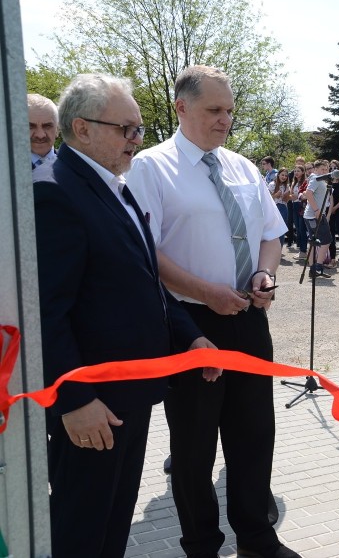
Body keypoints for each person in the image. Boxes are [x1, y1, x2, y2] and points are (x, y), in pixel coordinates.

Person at [32, 73, 217, 556]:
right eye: (126, 129)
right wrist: (73, 400)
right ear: (83, 129)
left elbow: (142, 283)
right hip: (93, 407)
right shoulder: (55, 193)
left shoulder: (114, 186)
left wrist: (191, 337)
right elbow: (47, 313)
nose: (137, 140)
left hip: (128, 398)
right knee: (81, 533)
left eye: (138, 129)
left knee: (111, 531)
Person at [126, 65, 298, 558]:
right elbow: (145, 252)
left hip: (248, 319)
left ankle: (258, 538)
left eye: (229, 111)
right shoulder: (151, 168)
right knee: (195, 448)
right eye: (214, 111)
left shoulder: (242, 167)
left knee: (253, 436)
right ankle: (201, 543)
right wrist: (205, 292)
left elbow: (270, 233)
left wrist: (264, 275)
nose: (225, 120)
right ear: (182, 108)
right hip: (189, 326)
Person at [302, 159, 334, 277]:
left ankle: (313, 269)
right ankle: (317, 266)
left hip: (317, 214)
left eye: (326, 169)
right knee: (326, 240)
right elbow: (308, 193)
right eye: (322, 169)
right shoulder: (315, 178)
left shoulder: (322, 180)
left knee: (314, 241)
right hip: (314, 215)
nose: (325, 171)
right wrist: (316, 210)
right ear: (315, 169)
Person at [28, 93, 59, 170]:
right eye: (30, 126)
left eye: (47, 126)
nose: (40, 135)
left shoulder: (78, 167)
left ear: (57, 129)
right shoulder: (5, 169)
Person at [289, 164, 309, 259]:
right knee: (297, 228)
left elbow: (304, 195)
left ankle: (303, 250)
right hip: (294, 205)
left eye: (298, 171)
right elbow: (292, 194)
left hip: (302, 206)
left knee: (302, 229)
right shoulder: (294, 182)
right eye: (295, 171)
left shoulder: (305, 182)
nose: (296, 173)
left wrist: (297, 197)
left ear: (303, 172)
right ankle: (301, 249)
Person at [269, 167, 292, 247]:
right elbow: (268, 198)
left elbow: (286, 200)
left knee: (281, 229)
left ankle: (280, 248)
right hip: (274, 207)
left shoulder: (287, 186)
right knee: (273, 228)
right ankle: (272, 248)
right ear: (278, 175)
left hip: (283, 207)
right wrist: (276, 195)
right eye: (282, 175)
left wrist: (288, 196)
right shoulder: (272, 184)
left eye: (286, 176)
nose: (284, 177)